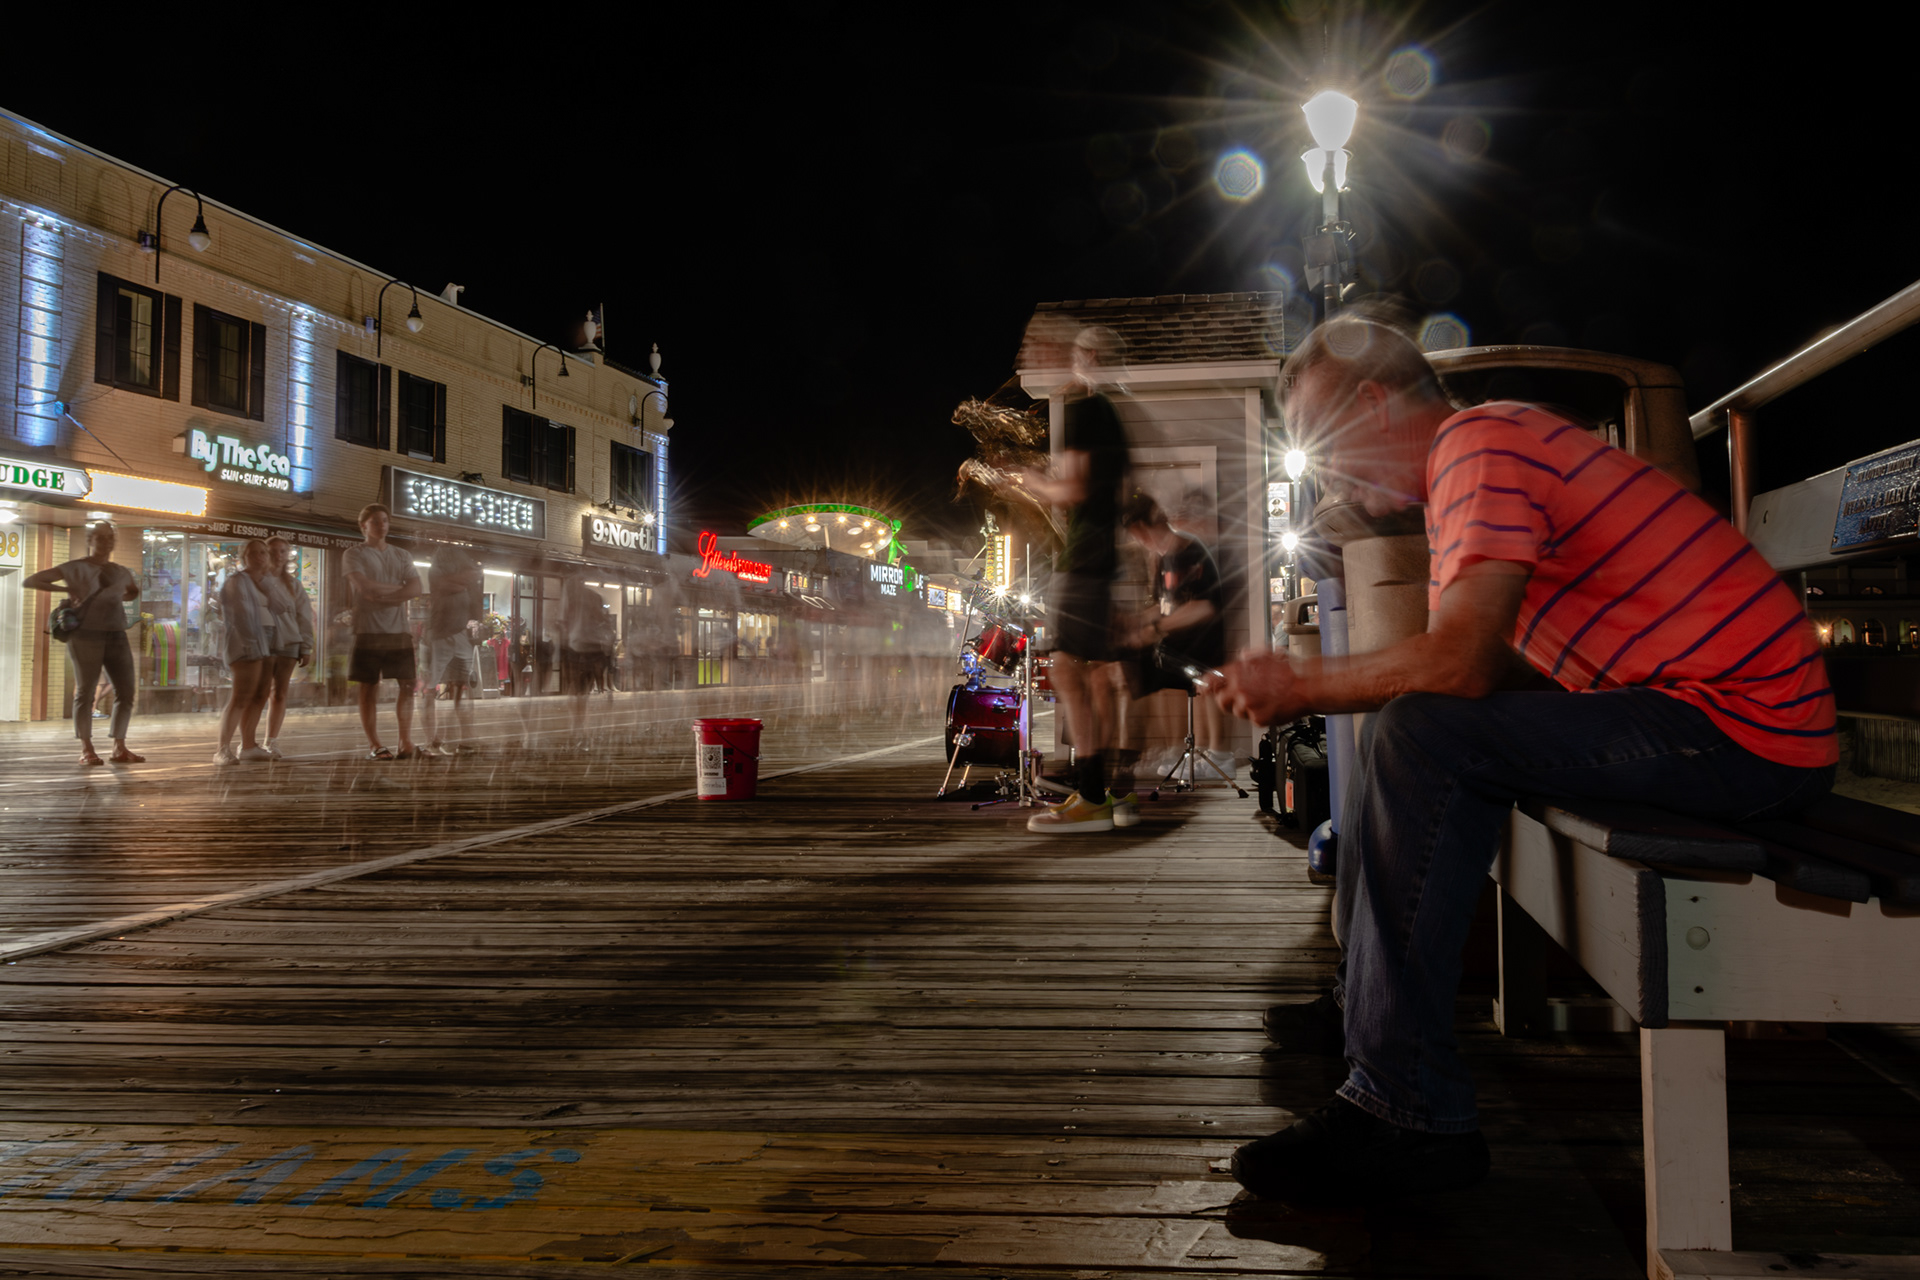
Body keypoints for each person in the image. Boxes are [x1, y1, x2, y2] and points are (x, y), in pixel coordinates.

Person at [1209, 314, 1835, 1204]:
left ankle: (1404, 1111)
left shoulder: (1479, 445)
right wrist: (1361, 684)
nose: (1332, 477)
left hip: (1746, 730)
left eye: (1325, 442)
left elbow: (1458, 662)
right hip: (1717, 718)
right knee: (1413, 725)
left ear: (1374, 402)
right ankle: (1368, 1012)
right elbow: (1487, 661)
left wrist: (1302, 687)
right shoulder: (1479, 457)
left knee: (1422, 731)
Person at [1020, 325, 1132, 833]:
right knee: (1092, 674)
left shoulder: (1085, 409)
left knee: (1066, 667)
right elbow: (1121, 494)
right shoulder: (1112, 414)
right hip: (1099, 557)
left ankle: (1092, 796)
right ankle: (1101, 791)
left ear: (1082, 355)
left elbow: (1073, 489)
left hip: (1083, 561)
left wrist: (1030, 481)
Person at [1114, 495, 1229, 799]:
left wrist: (1155, 628)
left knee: (1200, 683)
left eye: (1135, 533)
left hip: (1202, 640)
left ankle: (1216, 754)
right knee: (1150, 673)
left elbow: (1204, 607)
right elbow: (1166, 606)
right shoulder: (1165, 556)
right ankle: (1182, 749)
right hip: (1180, 639)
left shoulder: (1189, 551)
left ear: (1140, 529)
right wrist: (1137, 622)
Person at [25, 522, 142, 766]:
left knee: (126, 691)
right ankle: (87, 748)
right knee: (86, 691)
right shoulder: (74, 567)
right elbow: (33, 580)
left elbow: (133, 591)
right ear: (90, 539)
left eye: (110, 538)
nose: (105, 542)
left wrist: (117, 596)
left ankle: (119, 746)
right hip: (85, 634)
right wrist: (68, 588)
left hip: (116, 633)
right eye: (100, 538)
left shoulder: (121, 571)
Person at [343, 502, 424, 760]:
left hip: (398, 630)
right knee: (368, 687)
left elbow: (416, 589)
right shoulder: (354, 554)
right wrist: (398, 590)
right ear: (363, 525)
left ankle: (406, 742)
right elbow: (365, 588)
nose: (382, 525)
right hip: (367, 630)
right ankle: (375, 744)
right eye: (375, 521)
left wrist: (385, 594)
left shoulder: (401, 555)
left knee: (407, 685)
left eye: (385, 520)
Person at [213, 539, 276, 764]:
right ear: (243, 557)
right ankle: (222, 749)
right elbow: (238, 615)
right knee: (240, 696)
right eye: (254, 553)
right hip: (245, 642)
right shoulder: (236, 581)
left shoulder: (269, 582)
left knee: (260, 695)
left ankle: (249, 745)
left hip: (269, 642)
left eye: (263, 552)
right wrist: (250, 641)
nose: (260, 557)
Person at [421, 543, 483, 755]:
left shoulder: (446, 570)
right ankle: (433, 741)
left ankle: (461, 739)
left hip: (458, 634)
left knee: (460, 688)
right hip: (439, 634)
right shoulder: (436, 570)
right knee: (431, 688)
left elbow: (470, 581)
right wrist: (466, 580)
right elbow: (444, 584)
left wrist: (465, 581)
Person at [261, 537, 316, 760]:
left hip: (288, 643)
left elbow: (304, 617)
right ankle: (248, 741)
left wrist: (306, 646)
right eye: (274, 551)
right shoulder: (255, 581)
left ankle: (270, 740)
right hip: (262, 644)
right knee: (258, 693)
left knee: (279, 692)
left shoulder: (294, 585)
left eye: (283, 551)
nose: (278, 555)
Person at [558, 571, 613, 746]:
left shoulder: (569, 597)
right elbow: (603, 621)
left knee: (576, 690)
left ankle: (578, 727)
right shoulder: (594, 597)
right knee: (584, 691)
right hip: (593, 647)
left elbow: (562, 623)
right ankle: (582, 727)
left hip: (576, 647)